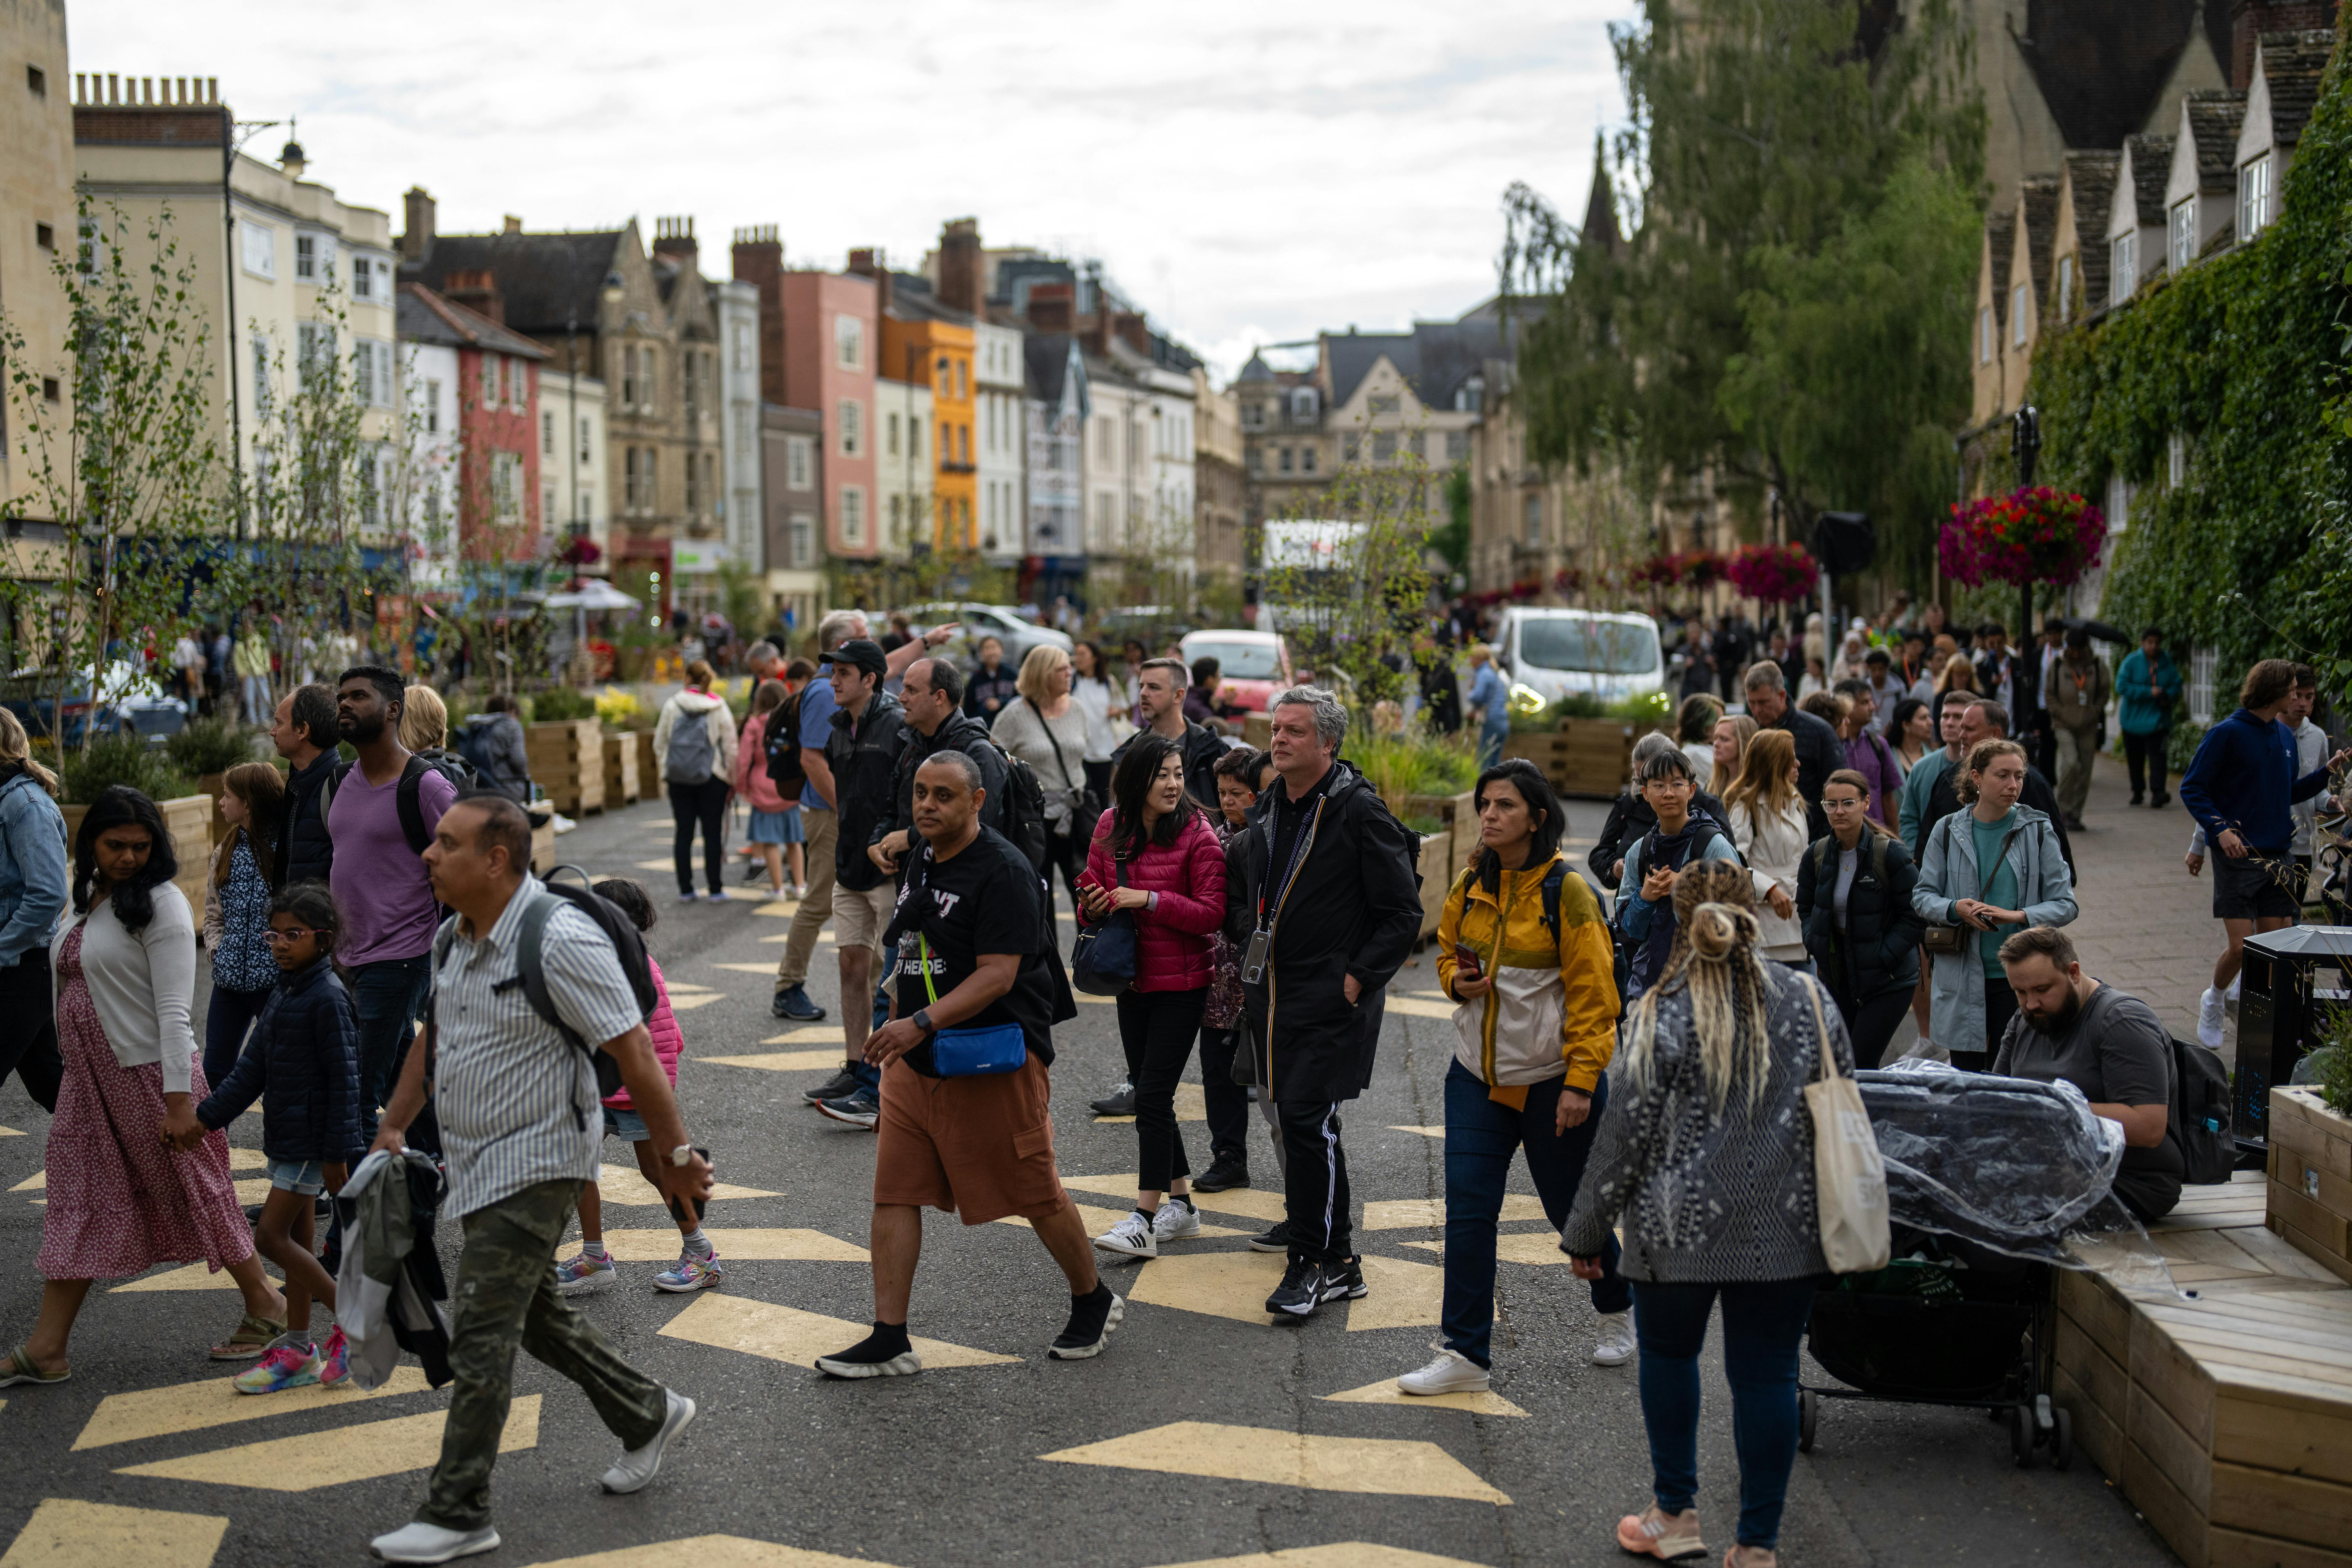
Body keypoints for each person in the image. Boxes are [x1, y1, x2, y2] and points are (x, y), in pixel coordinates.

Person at [364, 793, 710, 1563]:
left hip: (543, 1158)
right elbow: (436, 1032)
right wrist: (394, 1122)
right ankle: (647, 1411)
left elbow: (636, 1051)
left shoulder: (560, 940)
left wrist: (680, 1153)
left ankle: (458, 1507)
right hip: (477, 1159)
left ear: (496, 858)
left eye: (446, 843)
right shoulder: (452, 938)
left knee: (485, 1328)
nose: (428, 853)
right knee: (534, 1313)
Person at [1563, 862, 1851, 1568]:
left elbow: (1624, 1131)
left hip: (1675, 1225)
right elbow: (1844, 1104)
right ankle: (1756, 1546)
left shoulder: (1665, 1007)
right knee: (1766, 1377)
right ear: (1753, 910)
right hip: (1787, 1226)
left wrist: (1587, 1230)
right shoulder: (1810, 1001)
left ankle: (1674, 1515)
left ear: (1682, 921)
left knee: (1668, 1356)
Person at [815, 750, 1122, 1375]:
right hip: (915, 1059)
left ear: (977, 802)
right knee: (894, 1193)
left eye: (944, 796)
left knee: (1034, 1191)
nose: (927, 804)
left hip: (992, 1055)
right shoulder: (922, 857)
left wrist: (916, 1022)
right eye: (921, 793)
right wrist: (894, 1019)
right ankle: (889, 1336)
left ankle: (1092, 1298)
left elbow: (998, 975)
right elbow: (910, 943)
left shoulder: (1005, 872)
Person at [2, 788, 291, 1389]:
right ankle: (47, 1347)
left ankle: (268, 1302)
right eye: (116, 846)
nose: (130, 857)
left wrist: (181, 1100)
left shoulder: (162, 905)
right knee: (78, 1199)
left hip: (148, 1079)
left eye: (141, 846)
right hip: (89, 1081)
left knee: (194, 1187)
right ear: (92, 845)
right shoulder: (89, 898)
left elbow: (175, 1013)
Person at [1406, 759, 1632, 1394]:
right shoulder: (1471, 879)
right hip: (1476, 1077)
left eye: (1504, 805)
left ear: (1535, 815)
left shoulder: (1569, 892)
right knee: (1469, 1211)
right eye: (1485, 803)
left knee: (1573, 1216)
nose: (1489, 814)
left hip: (1552, 1081)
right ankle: (1465, 1355)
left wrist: (1582, 1083)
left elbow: (1595, 994)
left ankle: (1617, 1308)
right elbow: (1447, 948)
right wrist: (1457, 980)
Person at [1221, 686, 1423, 1314]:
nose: (1278, 740)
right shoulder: (1268, 808)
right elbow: (1243, 893)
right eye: (1276, 730)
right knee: (1308, 1127)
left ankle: (1307, 1262)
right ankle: (1339, 1262)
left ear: (1328, 743)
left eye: (1295, 732)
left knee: (1307, 1124)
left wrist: (1357, 978)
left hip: (1330, 997)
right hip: (1271, 994)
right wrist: (1241, 933)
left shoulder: (1358, 810)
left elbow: (1402, 913)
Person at [183, 880, 363, 1392]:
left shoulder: (328, 998)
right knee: (299, 1241)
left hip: (311, 1141)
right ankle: (299, 1349)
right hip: (287, 1134)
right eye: (274, 935)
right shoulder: (285, 993)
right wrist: (204, 1120)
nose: (281, 944)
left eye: (294, 935)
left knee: (270, 1237)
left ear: (323, 940)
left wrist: (335, 1154)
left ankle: (354, 1324)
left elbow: (347, 1082)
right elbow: (250, 1070)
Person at [1080, 734, 1229, 1259]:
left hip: (1182, 984)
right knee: (1151, 1091)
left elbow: (1212, 914)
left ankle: (1143, 1218)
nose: (1172, 784)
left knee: (1151, 1096)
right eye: (1162, 774)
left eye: (1179, 773)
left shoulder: (1197, 834)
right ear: (1137, 780)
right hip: (1130, 979)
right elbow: (1090, 903)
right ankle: (1182, 1206)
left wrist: (1150, 899)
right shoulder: (1109, 827)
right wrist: (1095, 907)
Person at [771, 612, 958, 1024]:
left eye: (845, 671)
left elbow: (885, 666)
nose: (837, 679)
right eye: (861, 636)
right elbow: (811, 759)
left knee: (880, 954)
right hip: (836, 826)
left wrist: (926, 641)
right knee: (824, 911)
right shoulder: (830, 701)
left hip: (874, 844)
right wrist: (850, 812)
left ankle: (875, 1068)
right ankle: (792, 986)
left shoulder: (886, 717)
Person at [551, 878, 713, 1296]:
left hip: (632, 1085)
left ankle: (702, 1255)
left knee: (657, 1169)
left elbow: (649, 1039)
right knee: (576, 1162)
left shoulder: (622, 965)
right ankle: (594, 1257)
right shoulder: (618, 958)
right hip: (603, 1083)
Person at [2180, 659, 2347, 1052]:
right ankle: (2215, 999)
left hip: (2280, 855)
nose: (2297, 696)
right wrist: (2219, 831)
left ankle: (2259, 1031)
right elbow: (2193, 788)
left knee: (2271, 953)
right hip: (2238, 856)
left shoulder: (2285, 738)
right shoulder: (2227, 734)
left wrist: (2326, 773)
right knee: (2241, 949)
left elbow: (2287, 793)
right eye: (2291, 689)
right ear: (2272, 691)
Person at [330, 666, 460, 1152]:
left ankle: (355, 1222)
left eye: (358, 696)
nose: (344, 704)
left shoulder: (425, 786)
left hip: (400, 955)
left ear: (392, 710)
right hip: (346, 958)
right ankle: (441, 1164)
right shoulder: (343, 780)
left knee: (356, 1090)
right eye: (341, 696)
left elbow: (464, 859)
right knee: (395, 1078)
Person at [1993, 926, 2181, 1221]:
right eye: (2020, 992)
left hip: (2125, 1182)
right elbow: (1997, 1099)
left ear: (2073, 972)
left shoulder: (2121, 1021)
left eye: (2042, 990)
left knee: (1998, 1214)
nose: (2031, 1004)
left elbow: (2148, 1127)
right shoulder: (2025, 1018)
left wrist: (2050, 1108)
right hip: (2043, 1169)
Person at [1913, 738, 2077, 1070]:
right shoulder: (1946, 830)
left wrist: (2017, 916)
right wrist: (1954, 908)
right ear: (1976, 777)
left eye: (2018, 776)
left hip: (2021, 976)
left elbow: (2066, 904)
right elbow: (1922, 896)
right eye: (2002, 775)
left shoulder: (2038, 829)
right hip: (1961, 974)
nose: (2013, 785)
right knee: (1966, 1077)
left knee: (2017, 1073)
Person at [810, 640, 913, 1130]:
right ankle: (854, 1068)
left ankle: (881, 1085)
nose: (833, 681)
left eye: (843, 673)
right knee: (852, 965)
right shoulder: (838, 727)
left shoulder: (895, 724)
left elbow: (905, 796)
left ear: (871, 679)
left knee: (890, 980)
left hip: (889, 868)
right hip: (849, 864)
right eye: (833, 672)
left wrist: (896, 845)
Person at [1797, 768, 1925, 1070]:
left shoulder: (1889, 853)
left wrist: (1884, 954)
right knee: (1835, 1065)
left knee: (1859, 1064)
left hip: (1887, 981)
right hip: (1837, 977)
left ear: (1866, 803)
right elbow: (1804, 906)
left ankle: (1869, 1117)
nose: (1839, 811)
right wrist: (1813, 941)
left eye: (1848, 803)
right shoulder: (1816, 855)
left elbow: (1916, 912)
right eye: (1831, 804)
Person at [1194, 747, 1269, 1193]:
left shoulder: (1271, 842)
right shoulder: (1212, 837)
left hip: (1263, 976)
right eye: (1221, 792)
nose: (1227, 801)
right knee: (1217, 1071)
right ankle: (1228, 1156)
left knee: (1275, 1078)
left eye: (1237, 793)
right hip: (1217, 978)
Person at [1616, 748, 1743, 1000]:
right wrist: (1645, 897)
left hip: (1707, 983)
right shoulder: (1639, 852)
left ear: (1692, 791)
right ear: (1645, 793)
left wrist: (1688, 886)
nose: (1669, 793)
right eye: (1659, 786)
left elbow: (1741, 910)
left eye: (1677, 784)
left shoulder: (1714, 845)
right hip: (1649, 985)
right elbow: (1631, 930)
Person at [1916, 701, 2077, 882]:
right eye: (2002, 776)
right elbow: (1926, 848)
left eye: (1970, 729)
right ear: (1976, 778)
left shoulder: (2032, 784)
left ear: (1995, 734)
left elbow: (2060, 865)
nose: (1962, 735)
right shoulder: (1948, 779)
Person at [992, 644, 1094, 918]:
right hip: (1035, 819)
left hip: (1076, 814)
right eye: (1062, 669)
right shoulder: (1014, 715)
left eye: (1070, 667)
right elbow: (991, 761)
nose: (1070, 672)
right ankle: (1048, 960)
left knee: (1088, 896)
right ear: (1042, 674)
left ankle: (1090, 956)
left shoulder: (1078, 710)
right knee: (1041, 895)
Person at [201, 761, 285, 1088]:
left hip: (275, 986)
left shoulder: (287, 851)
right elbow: (213, 913)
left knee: (278, 1072)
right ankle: (211, 1141)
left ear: (248, 803)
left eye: (227, 796)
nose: (221, 803)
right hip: (228, 984)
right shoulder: (225, 850)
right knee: (213, 1074)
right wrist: (218, 952)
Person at [0, 709, 67, 1111]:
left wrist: (2, 945)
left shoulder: (26, 807)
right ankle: (129, 1154)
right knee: (52, 1084)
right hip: (17, 964)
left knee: (52, 1082)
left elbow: (48, 894)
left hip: (23, 966)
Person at [1591, 732, 1735, 892]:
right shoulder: (1632, 809)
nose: (1668, 794)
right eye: (1643, 781)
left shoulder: (1708, 809)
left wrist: (1686, 880)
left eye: (1675, 784)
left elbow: (1731, 875)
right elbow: (1601, 855)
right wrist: (1615, 868)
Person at [651, 660, 738, 904]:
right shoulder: (718, 706)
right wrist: (731, 778)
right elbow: (731, 747)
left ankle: (686, 889)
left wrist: (665, 773)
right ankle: (715, 889)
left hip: (679, 779)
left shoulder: (673, 704)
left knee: (684, 833)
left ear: (688, 678)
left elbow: (659, 743)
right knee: (713, 833)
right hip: (713, 778)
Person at [1723, 729, 1811, 968]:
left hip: (1799, 917)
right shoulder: (1746, 807)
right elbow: (1733, 862)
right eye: (1791, 757)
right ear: (1776, 763)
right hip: (1766, 923)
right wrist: (1769, 889)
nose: (1798, 763)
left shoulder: (1796, 801)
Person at [1113, 656, 1225, 815]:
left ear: (1178, 695)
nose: (1143, 694)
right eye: (1142, 686)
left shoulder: (1210, 748)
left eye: (1154, 687)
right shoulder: (1131, 751)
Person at [1741, 661, 1840, 837]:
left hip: (1813, 836)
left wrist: (1825, 841)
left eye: (1763, 703)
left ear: (1782, 695)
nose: (1757, 710)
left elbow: (1837, 786)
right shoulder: (1748, 734)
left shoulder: (1818, 732)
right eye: (1752, 703)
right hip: (1762, 842)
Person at [270, 683, 341, 889]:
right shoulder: (296, 784)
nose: (272, 732)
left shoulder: (341, 790)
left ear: (302, 730)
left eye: (279, 724)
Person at [732, 680, 794, 897]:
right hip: (789, 783)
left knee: (770, 842)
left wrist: (742, 786)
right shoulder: (792, 720)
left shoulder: (755, 724)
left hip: (762, 783)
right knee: (794, 840)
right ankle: (800, 885)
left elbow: (743, 759)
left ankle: (777, 889)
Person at [2047, 627, 2109, 832]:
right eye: (2072, 648)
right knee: (2071, 763)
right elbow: (2049, 694)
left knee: (2085, 770)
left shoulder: (2097, 666)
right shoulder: (2057, 666)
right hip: (2064, 724)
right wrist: (2059, 713)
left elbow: (2104, 692)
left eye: (2079, 649)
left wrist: (2095, 710)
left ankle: (2075, 813)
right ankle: (2062, 809)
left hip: (2088, 725)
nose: (2075, 653)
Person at [2116, 627, 2183, 808]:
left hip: (2158, 722)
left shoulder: (2166, 663)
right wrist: (2148, 692)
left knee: (2158, 759)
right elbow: (2121, 687)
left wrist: (2166, 695)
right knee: (2135, 759)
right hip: (2133, 722)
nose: (2154, 647)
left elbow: (2177, 686)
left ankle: (2158, 793)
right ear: (2143, 643)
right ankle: (2138, 791)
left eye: (2157, 643)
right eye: (2150, 643)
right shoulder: (2132, 662)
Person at [1068, 641, 1128, 799]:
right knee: (1084, 793)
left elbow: (1122, 708)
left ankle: (1103, 823)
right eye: (1076, 654)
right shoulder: (1071, 681)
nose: (1078, 659)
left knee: (1103, 792)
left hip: (1103, 746)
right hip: (1079, 747)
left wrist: (1115, 711)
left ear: (1095, 658)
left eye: (1083, 654)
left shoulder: (1108, 682)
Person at [458, 693, 532, 805]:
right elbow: (519, 762)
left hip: (478, 790)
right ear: (508, 710)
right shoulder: (512, 727)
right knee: (533, 789)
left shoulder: (477, 727)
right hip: (506, 790)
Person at [1465, 645, 1509, 768]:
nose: (1470, 661)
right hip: (1503, 721)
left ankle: (1486, 788)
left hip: (1492, 720)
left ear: (1478, 659)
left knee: (1484, 760)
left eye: (1472, 657)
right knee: (1495, 762)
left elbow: (1478, 696)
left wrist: (1470, 693)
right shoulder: (1493, 673)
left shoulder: (1484, 674)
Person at [962, 635, 1018, 722]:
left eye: (994, 647)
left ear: (1002, 651)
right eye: (987, 648)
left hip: (1010, 723)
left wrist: (1001, 703)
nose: (992, 652)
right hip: (985, 727)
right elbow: (969, 710)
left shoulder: (1012, 675)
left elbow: (1021, 700)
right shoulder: (976, 679)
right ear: (981, 653)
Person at [1929, 653, 1980, 737]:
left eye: (1966, 675)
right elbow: (1937, 721)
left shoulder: (1977, 696)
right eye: (1959, 675)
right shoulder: (1941, 697)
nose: (1963, 679)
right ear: (1950, 675)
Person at [1675, 694, 1722, 783]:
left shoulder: (1704, 748)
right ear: (1705, 725)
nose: (1723, 726)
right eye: (1719, 721)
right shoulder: (1696, 754)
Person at [1709, 712, 1756, 800]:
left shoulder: (1753, 788)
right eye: (1715, 738)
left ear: (1743, 744)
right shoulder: (1714, 784)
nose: (1716, 744)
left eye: (1725, 740)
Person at [232, 626, 273, 725]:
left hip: (261, 673)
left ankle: (263, 719)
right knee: (250, 699)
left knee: (266, 697)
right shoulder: (240, 643)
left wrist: (266, 669)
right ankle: (253, 721)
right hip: (248, 674)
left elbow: (266, 655)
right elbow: (237, 661)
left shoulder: (259, 639)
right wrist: (241, 674)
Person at [1886, 695, 1932, 780]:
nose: (1931, 722)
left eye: (1929, 717)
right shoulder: (1888, 758)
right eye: (1923, 718)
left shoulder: (1934, 755)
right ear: (1906, 725)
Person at [1860, 647, 1905, 732]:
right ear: (1869, 669)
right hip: (1869, 737)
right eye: (1874, 670)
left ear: (1887, 668)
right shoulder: (1863, 690)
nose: (1877, 673)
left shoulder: (1898, 690)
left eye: (1881, 669)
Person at [1184, 656, 1235, 728]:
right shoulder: (1201, 710)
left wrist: (1226, 706)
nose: (1220, 680)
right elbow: (1215, 730)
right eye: (1219, 677)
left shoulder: (1191, 697)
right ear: (1210, 680)